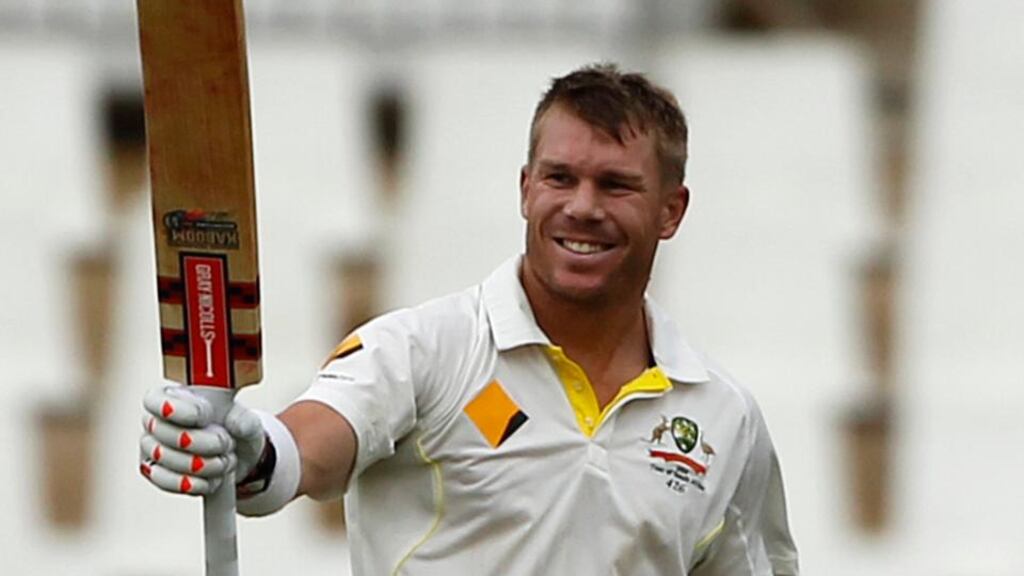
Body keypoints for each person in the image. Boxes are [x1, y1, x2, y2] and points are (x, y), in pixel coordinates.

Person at [140, 63, 799, 575]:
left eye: (616, 185)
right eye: (559, 178)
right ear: (525, 188)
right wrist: (256, 453)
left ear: (671, 210)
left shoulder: (722, 418)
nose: (582, 207)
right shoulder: (423, 348)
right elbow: (312, 442)